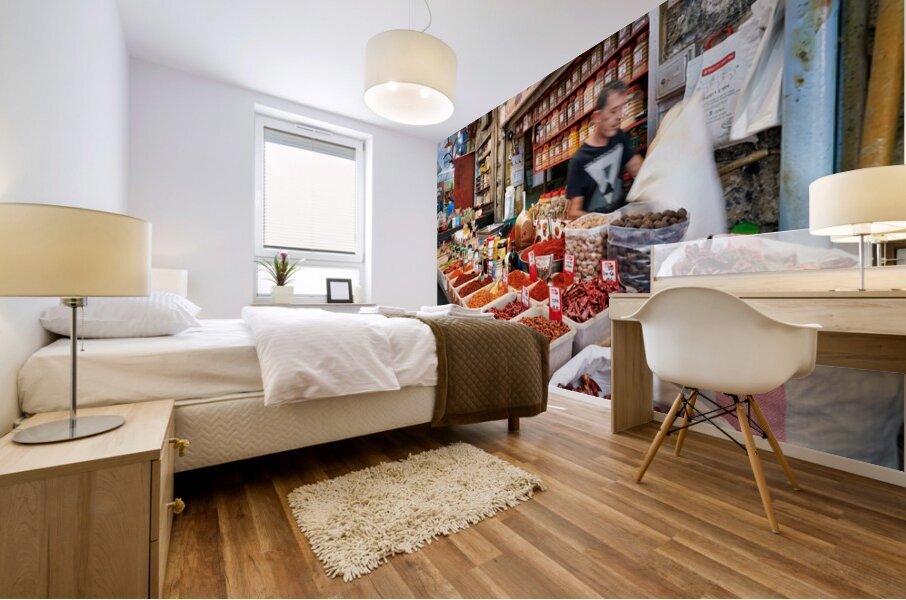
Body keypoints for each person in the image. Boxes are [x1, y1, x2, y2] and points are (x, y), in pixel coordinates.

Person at [566, 81, 643, 219]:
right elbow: (573, 213)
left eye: (621, 110)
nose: (619, 116)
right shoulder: (579, 161)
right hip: (597, 236)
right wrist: (605, 222)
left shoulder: (619, 139)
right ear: (597, 117)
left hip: (622, 226)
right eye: (613, 111)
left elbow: (639, 170)